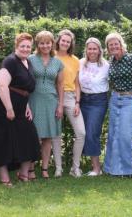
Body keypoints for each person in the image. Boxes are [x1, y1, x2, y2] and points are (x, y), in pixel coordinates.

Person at [0, 33, 41, 187]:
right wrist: (9, 109)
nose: (25, 48)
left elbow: (22, 88)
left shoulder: (27, 61)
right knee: (1, 140)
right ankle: (4, 179)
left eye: (28, 46)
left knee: (29, 137)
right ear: (16, 46)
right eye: (22, 46)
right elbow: (2, 85)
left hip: (20, 106)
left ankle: (23, 174)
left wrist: (26, 105)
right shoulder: (10, 61)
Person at [103, 32, 132, 180]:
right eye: (110, 45)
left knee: (125, 136)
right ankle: (113, 169)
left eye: (116, 43)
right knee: (114, 135)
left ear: (121, 44)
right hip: (115, 99)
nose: (114, 46)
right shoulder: (111, 61)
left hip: (130, 99)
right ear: (108, 48)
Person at [28, 31, 64, 179]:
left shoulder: (58, 62)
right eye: (42, 43)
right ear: (37, 44)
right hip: (33, 100)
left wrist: (60, 105)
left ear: (52, 44)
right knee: (33, 136)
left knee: (48, 137)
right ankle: (30, 169)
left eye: (48, 42)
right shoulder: (30, 59)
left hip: (51, 101)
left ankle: (44, 169)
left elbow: (60, 85)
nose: (45, 45)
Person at [55, 29, 86, 177]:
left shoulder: (75, 60)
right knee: (55, 134)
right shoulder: (51, 56)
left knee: (81, 133)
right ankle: (58, 168)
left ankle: (75, 168)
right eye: (63, 40)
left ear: (70, 43)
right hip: (53, 97)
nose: (65, 43)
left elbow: (77, 83)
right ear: (58, 40)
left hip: (70, 97)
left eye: (68, 41)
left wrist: (78, 102)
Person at [79, 37, 109, 176]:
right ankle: (82, 165)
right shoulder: (80, 63)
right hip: (83, 100)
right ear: (86, 50)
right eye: (89, 48)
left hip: (98, 101)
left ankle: (97, 169)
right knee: (83, 134)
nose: (92, 51)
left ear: (99, 50)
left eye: (94, 48)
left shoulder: (106, 65)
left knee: (92, 133)